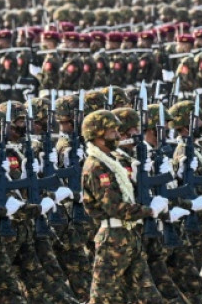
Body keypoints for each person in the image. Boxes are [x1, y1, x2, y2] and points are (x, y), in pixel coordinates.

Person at [81, 109, 167, 304]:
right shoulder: (96, 167)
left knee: (148, 295)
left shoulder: (112, 163)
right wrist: (150, 210)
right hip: (112, 240)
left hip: (128, 237)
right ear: (98, 134)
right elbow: (116, 208)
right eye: (113, 132)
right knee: (103, 298)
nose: (119, 136)